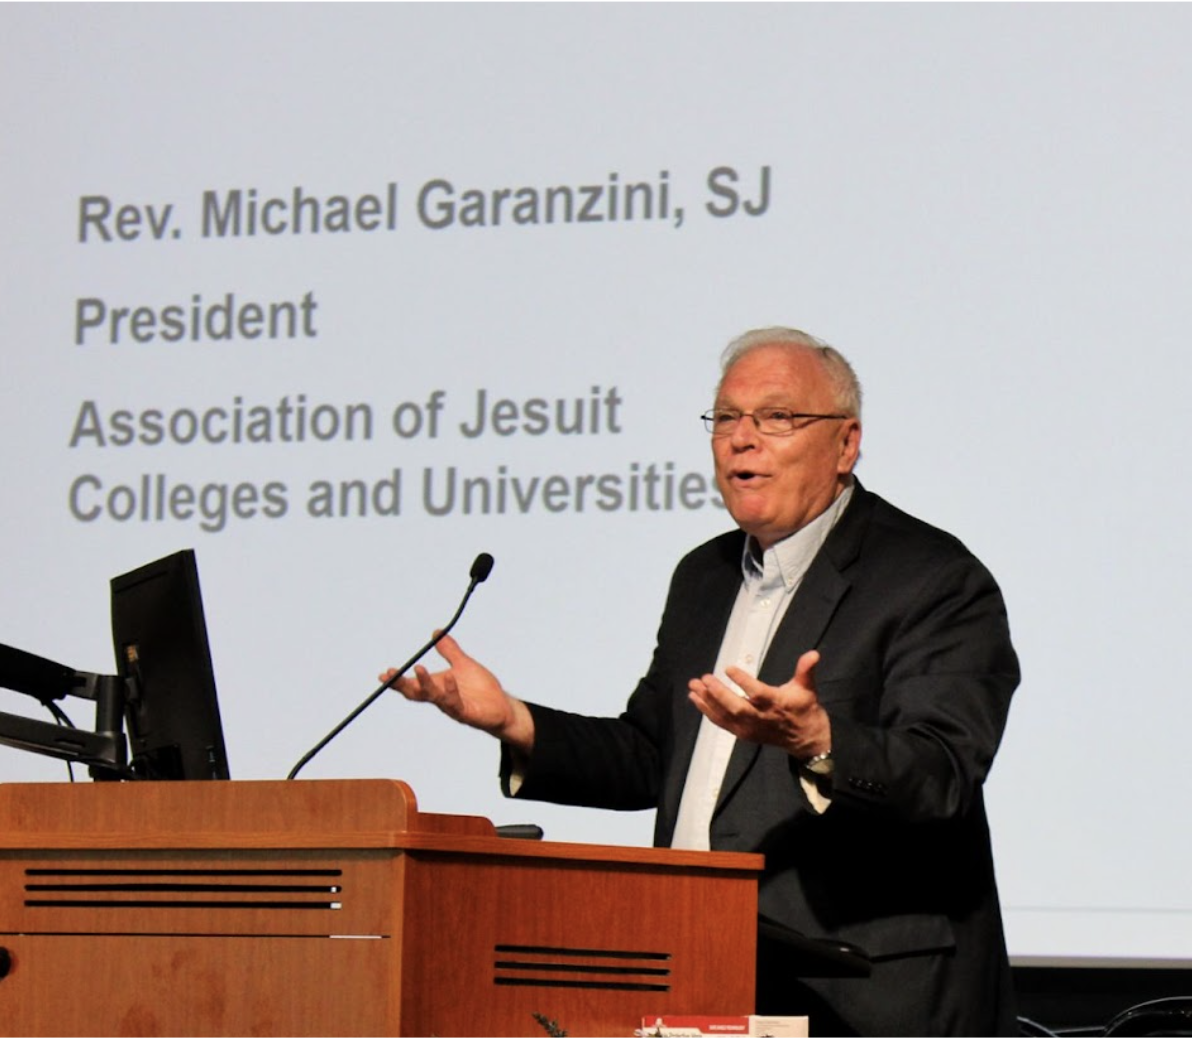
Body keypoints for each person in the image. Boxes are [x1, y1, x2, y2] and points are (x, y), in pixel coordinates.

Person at [381, 327, 1020, 1036]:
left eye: (777, 417)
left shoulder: (932, 578)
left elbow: (943, 773)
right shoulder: (704, 578)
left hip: (864, 997)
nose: (741, 439)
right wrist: (514, 722)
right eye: (725, 418)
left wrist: (819, 740)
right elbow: (656, 759)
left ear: (846, 444)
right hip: (699, 979)